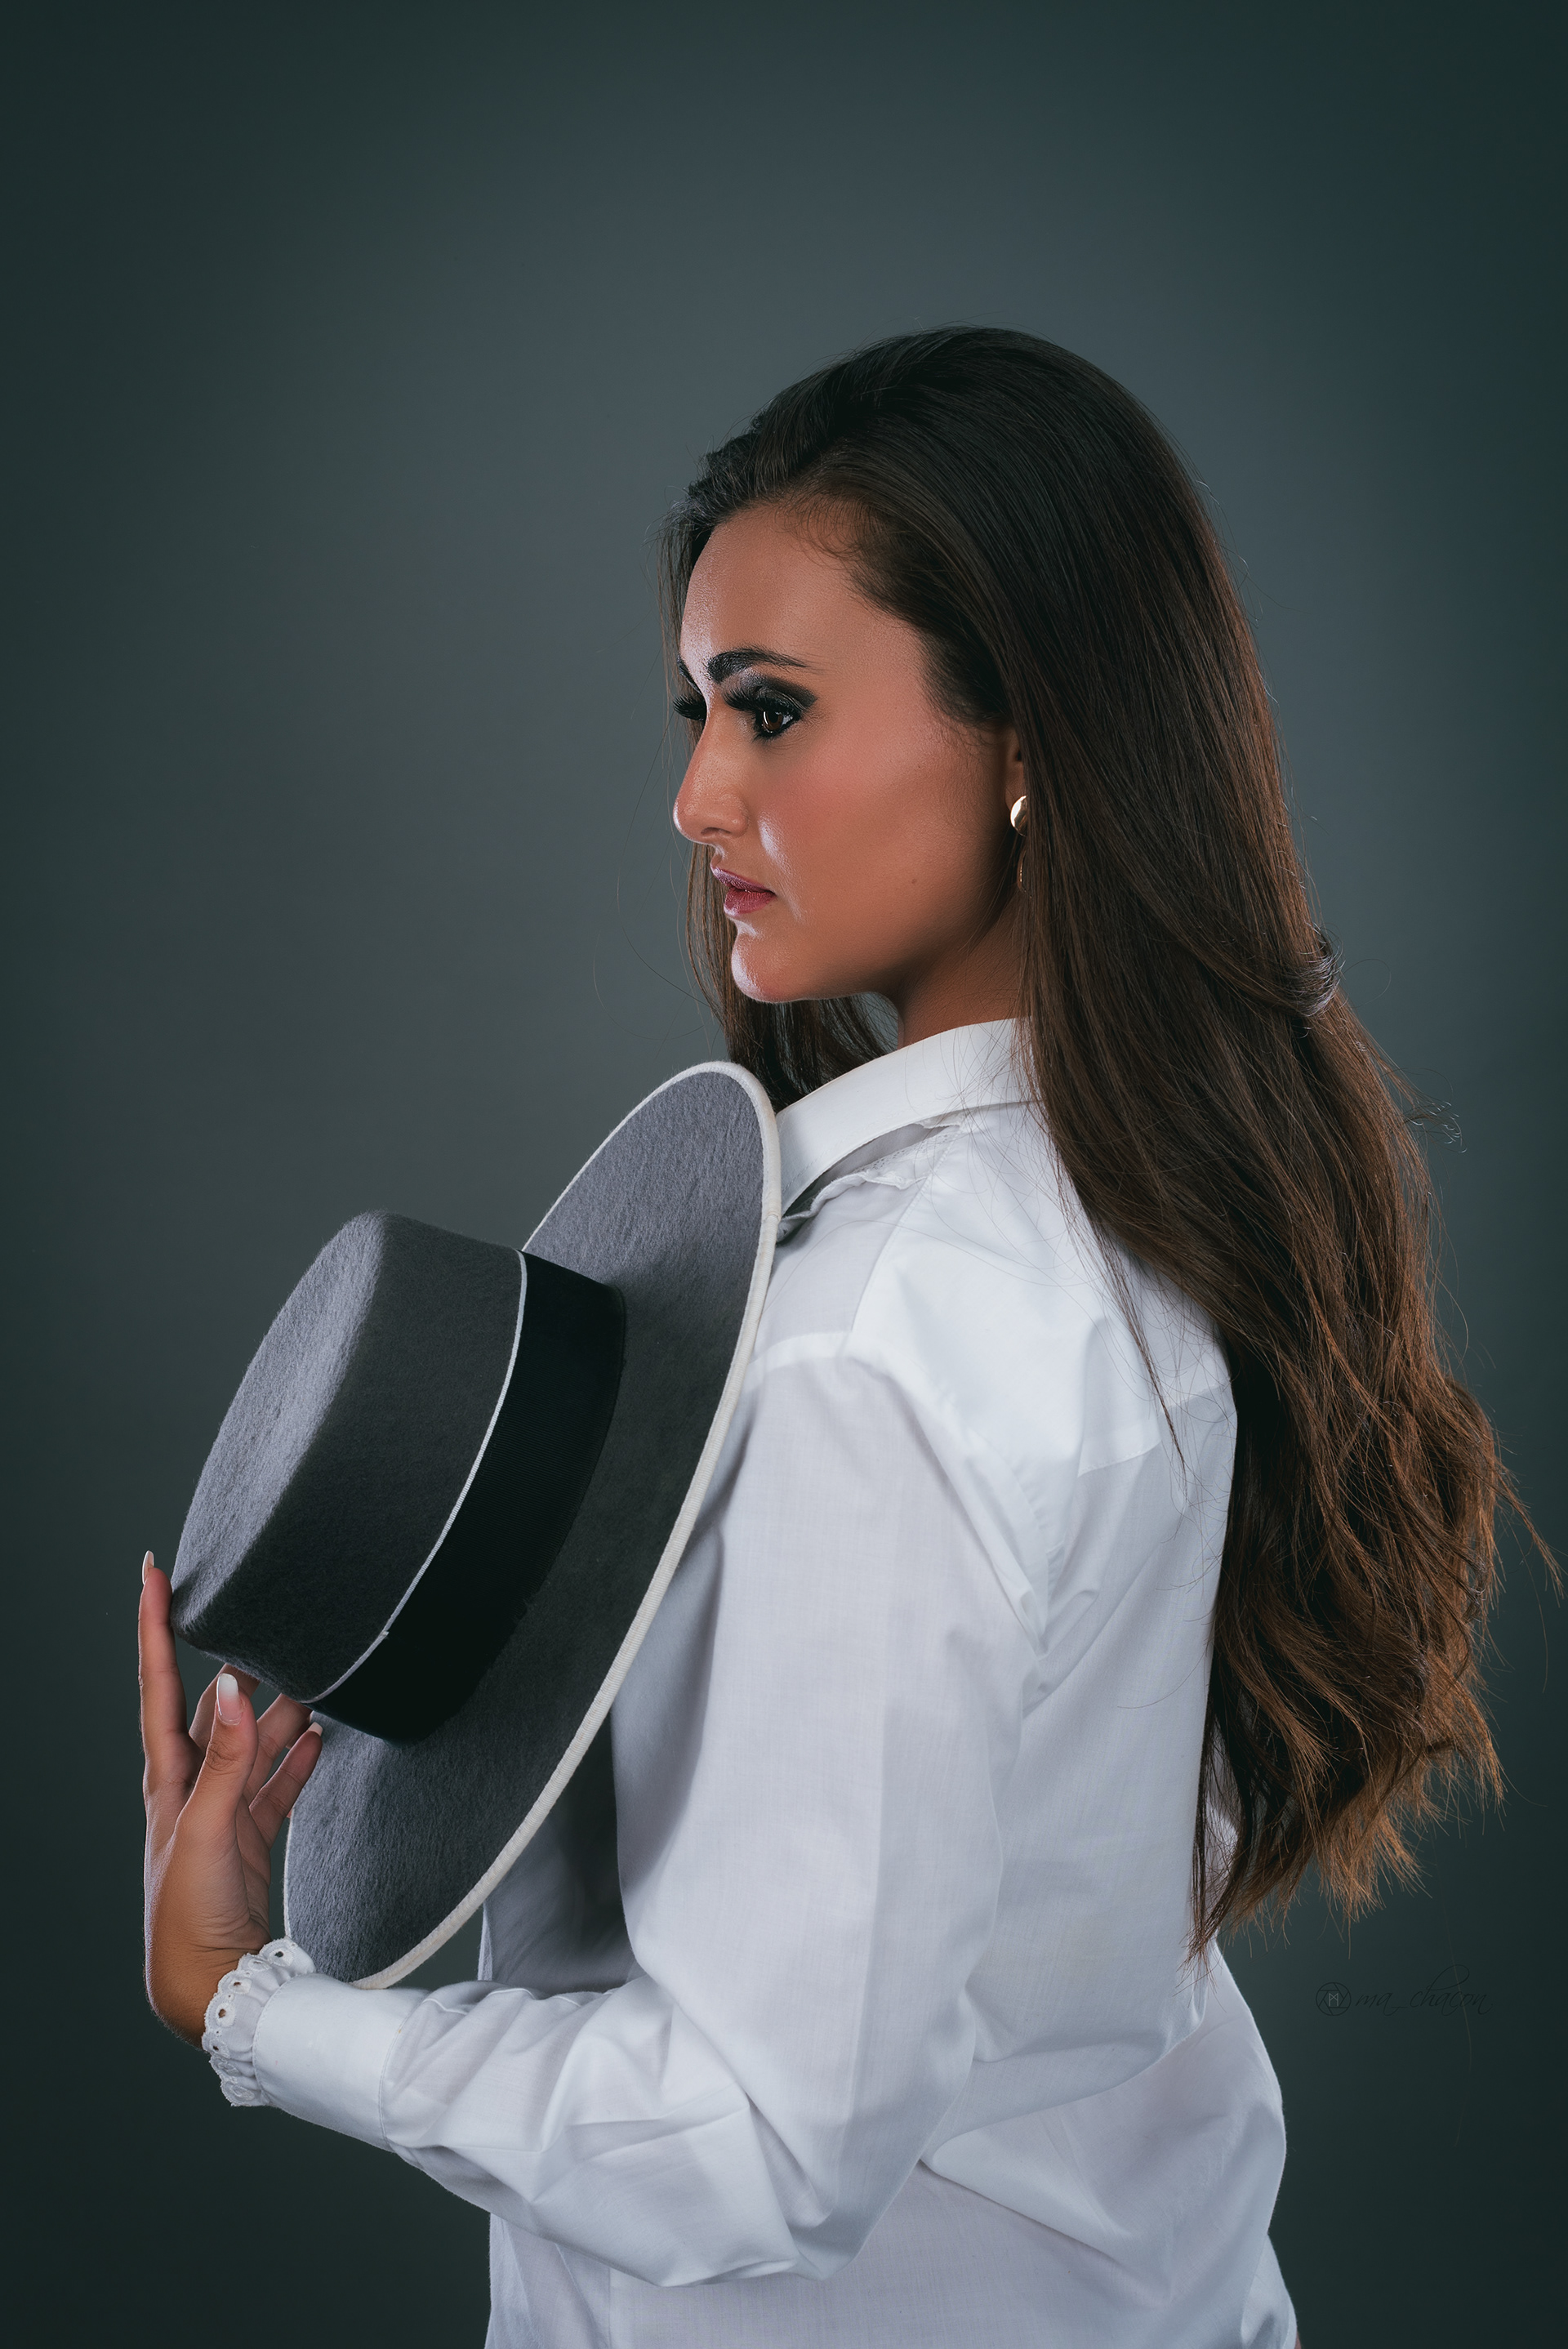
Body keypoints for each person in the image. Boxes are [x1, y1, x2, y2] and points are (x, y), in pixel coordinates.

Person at [140, 328, 1515, 2348]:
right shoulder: (1151, 1207)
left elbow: (761, 2146)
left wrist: (252, 2006)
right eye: (699, 707)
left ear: (1028, 731)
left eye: (773, 710)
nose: (697, 793)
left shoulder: (869, 1348)